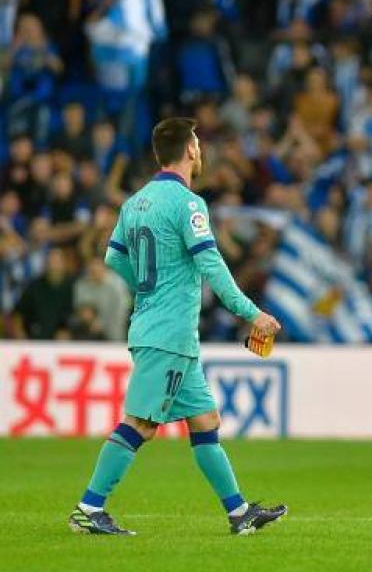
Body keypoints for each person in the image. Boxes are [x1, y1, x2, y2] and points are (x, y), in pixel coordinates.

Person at [68, 118, 287, 537]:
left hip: (166, 332)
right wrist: (251, 312)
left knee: (205, 421)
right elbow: (212, 265)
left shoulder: (135, 203)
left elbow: (113, 257)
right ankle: (89, 508)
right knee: (141, 423)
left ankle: (239, 512)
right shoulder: (188, 204)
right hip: (167, 335)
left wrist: (146, 288)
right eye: (198, 142)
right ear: (189, 150)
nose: (200, 149)